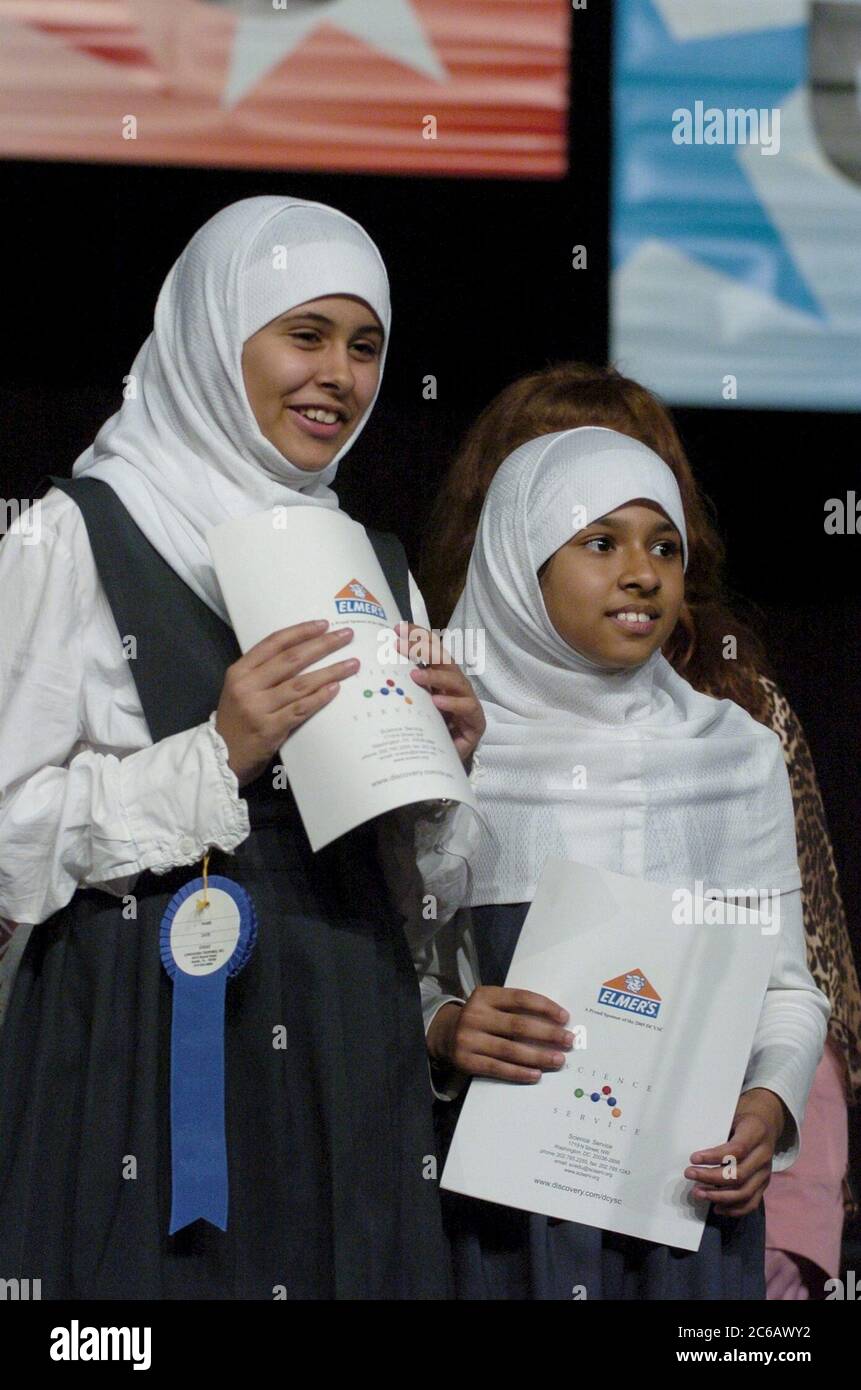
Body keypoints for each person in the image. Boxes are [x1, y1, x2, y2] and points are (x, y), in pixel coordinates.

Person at [0, 194, 484, 1299]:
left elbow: (419, 894)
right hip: (140, 1020)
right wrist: (211, 754)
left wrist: (442, 770)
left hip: (344, 1027)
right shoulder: (75, 532)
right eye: (304, 334)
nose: (341, 377)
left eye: (365, 346)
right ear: (218, 338)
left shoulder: (368, 558)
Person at [420, 362, 861, 1298]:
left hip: (682, 1219)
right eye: (599, 541)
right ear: (515, 558)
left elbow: (787, 987)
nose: (640, 573)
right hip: (491, 1222)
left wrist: (767, 1104)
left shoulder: (733, 754)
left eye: (664, 547)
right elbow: (395, 966)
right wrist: (444, 1025)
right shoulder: (447, 743)